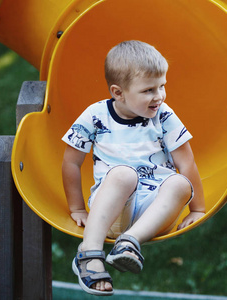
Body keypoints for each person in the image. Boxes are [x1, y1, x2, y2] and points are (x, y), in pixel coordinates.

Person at [61, 40, 205, 296]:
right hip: (112, 212)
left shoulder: (164, 115)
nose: (159, 96)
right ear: (118, 92)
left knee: (181, 183)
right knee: (123, 174)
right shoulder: (95, 116)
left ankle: (129, 243)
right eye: (149, 90)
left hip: (155, 213)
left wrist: (197, 209)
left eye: (162, 86)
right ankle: (89, 253)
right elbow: (71, 161)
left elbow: (186, 162)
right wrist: (77, 207)